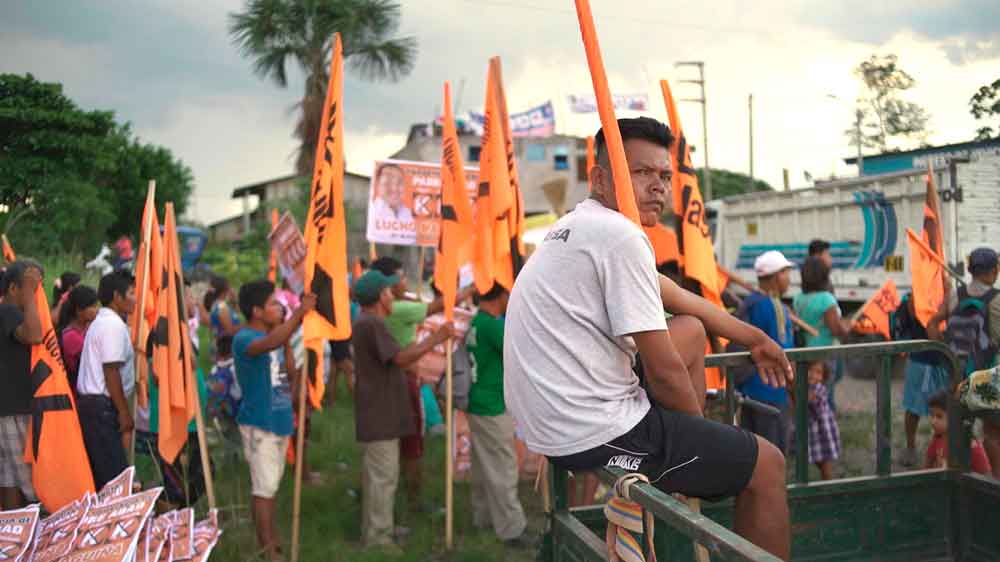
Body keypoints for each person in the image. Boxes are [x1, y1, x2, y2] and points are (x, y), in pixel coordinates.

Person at [505, 117, 793, 560]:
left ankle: (681, 460)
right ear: (601, 178)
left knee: (691, 330)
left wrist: (753, 336)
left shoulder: (580, 225)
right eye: (640, 173)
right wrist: (697, 437)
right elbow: (664, 371)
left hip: (555, 422)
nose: (658, 186)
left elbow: (677, 296)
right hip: (592, 430)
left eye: (663, 175)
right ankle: (681, 469)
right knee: (768, 464)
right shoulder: (620, 235)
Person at [351, 269, 453, 550]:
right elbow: (400, 358)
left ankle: (378, 527)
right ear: (380, 297)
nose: (392, 296)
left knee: (381, 476)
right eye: (387, 292)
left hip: (380, 411)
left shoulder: (370, 323)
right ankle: (379, 537)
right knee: (383, 478)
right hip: (378, 413)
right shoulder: (371, 324)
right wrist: (435, 338)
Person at [369, 256, 473, 510]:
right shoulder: (398, 309)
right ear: (387, 286)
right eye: (401, 276)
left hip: (390, 383)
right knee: (412, 443)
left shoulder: (385, 309)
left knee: (404, 442)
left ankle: (401, 497)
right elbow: (436, 307)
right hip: (403, 382)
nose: (405, 281)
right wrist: (470, 290)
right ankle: (414, 501)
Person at [233, 280, 314, 561]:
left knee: (269, 486)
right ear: (256, 311)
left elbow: (290, 373)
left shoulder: (276, 336)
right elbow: (269, 344)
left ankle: (268, 538)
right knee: (264, 488)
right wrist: (298, 314)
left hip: (279, 420)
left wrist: (288, 341)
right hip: (260, 425)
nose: (279, 307)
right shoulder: (244, 339)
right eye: (272, 303)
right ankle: (268, 549)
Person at [465, 283, 530, 548]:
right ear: (501, 296)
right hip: (491, 406)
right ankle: (512, 530)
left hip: (478, 401)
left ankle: (482, 518)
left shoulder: (477, 321)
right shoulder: (492, 325)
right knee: (503, 468)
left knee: (483, 467)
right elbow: (520, 352)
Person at [929, 247, 1000, 477]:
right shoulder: (997, 300)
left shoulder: (955, 296)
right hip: (986, 377)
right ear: (994, 271)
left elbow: (933, 323)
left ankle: (958, 476)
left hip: (956, 374)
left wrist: (943, 353)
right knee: (992, 432)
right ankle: (995, 481)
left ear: (970, 270)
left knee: (959, 429)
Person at [76, 271, 136, 489]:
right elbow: (111, 370)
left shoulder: (103, 321)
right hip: (100, 407)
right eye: (131, 293)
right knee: (114, 480)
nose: (135, 298)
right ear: (116, 297)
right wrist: (123, 412)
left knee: (106, 476)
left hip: (95, 406)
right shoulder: (112, 325)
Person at [737, 250, 797, 453]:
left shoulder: (749, 302)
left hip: (748, 391)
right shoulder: (775, 307)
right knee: (774, 454)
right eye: (787, 273)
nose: (789, 279)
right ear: (777, 275)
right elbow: (784, 353)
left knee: (752, 454)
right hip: (772, 390)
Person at [0, 261, 42, 509]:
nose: (36, 293)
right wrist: (28, 295)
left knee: (10, 478)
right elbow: (33, 335)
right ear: (14, 288)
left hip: (10, 407)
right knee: (25, 479)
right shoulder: (9, 312)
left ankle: (10, 535)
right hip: (14, 409)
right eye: (31, 287)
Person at [893, 293, 951, 467]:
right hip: (920, 360)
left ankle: (943, 448)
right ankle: (911, 447)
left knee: (946, 408)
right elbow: (901, 329)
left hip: (944, 360)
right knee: (913, 407)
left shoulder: (950, 295)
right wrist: (912, 308)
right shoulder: (911, 298)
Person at [793, 256, 853, 411]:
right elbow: (836, 329)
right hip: (826, 353)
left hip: (807, 351)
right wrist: (848, 327)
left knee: (811, 390)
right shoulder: (826, 299)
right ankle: (825, 425)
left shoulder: (798, 298)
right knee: (825, 392)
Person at [924, 390, 992, 475]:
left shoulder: (972, 448)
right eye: (931, 415)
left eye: (939, 416)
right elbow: (926, 467)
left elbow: (986, 477)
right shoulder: (938, 438)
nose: (933, 421)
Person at [57, 285, 100, 390]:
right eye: (93, 306)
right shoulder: (71, 336)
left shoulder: (86, 329)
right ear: (79, 310)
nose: (97, 310)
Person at [804, 361, 840, 480]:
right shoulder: (806, 387)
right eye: (811, 370)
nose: (813, 375)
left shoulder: (820, 389)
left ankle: (829, 489)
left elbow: (810, 399)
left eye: (818, 372)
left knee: (825, 465)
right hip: (813, 432)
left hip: (823, 432)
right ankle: (826, 483)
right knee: (819, 461)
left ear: (823, 377)